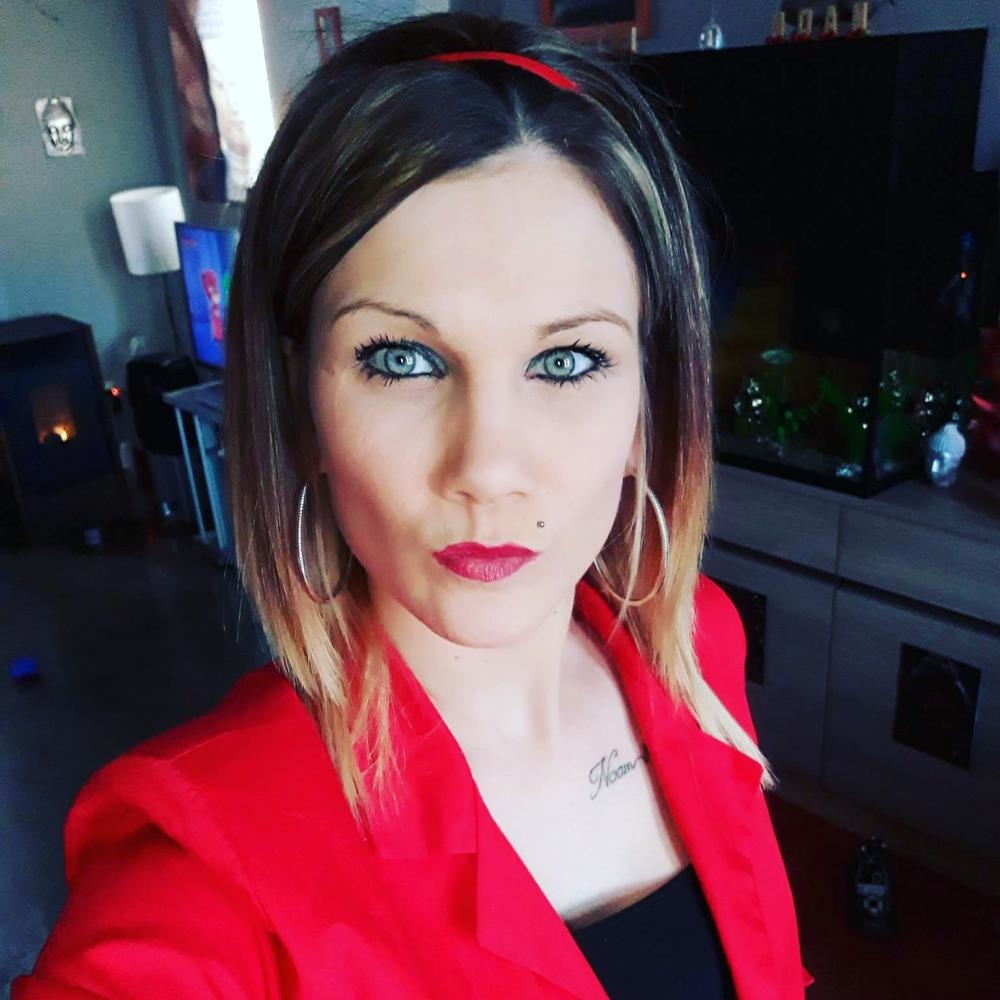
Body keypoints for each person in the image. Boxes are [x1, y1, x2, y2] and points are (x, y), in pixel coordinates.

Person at [14, 12, 814, 999]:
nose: (487, 468)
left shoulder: (695, 645)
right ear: (300, 406)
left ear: (650, 406)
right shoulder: (208, 870)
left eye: (568, 361)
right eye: (401, 359)